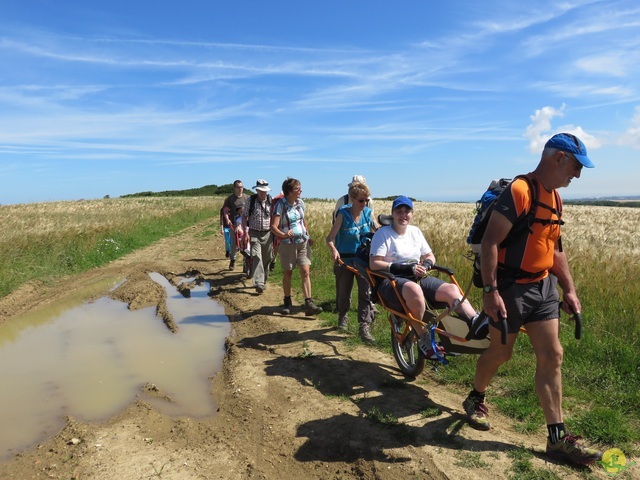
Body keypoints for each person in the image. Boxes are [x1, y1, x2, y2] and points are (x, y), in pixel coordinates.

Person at [463, 133, 601, 466]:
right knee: (501, 352)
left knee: (553, 354)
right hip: (509, 287)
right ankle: (475, 397)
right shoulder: (520, 191)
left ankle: (557, 438)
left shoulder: (555, 199)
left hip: (543, 288)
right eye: (575, 166)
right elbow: (491, 243)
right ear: (558, 158)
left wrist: (568, 289)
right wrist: (491, 291)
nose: (577, 175)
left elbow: (555, 249)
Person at [369, 196, 480, 358]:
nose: (403, 215)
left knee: (452, 289)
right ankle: (423, 338)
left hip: (416, 277)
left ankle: (475, 322)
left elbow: (429, 255)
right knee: (415, 289)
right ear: (392, 213)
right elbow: (374, 263)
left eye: (407, 211)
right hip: (391, 280)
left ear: (412, 213)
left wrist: (426, 265)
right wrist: (405, 267)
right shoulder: (383, 234)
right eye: (399, 211)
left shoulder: (415, 232)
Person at [326, 182, 377, 342]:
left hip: (362, 261)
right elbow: (329, 239)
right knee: (344, 292)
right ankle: (343, 316)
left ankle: (364, 326)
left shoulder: (368, 214)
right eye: (361, 200)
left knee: (365, 293)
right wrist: (334, 251)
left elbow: (377, 231)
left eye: (366, 200)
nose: (364, 203)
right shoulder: (343, 214)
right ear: (353, 200)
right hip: (344, 260)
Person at [270, 178, 323, 316]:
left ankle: (309, 303)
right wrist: (284, 234)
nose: (301, 191)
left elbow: (303, 220)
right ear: (289, 191)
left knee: (305, 271)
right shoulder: (280, 206)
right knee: (288, 272)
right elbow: (273, 227)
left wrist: (308, 235)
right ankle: (287, 301)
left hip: (302, 241)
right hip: (288, 244)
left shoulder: (300, 203)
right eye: (297, 189)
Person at [242, 179, 274, 294]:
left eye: (264, 191)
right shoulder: (251, 201)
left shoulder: (271, 201)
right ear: (257, 190)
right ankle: (259, 283)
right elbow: (244, 216)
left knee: (267, 257)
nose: (262, 193)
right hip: (254, 232)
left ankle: (263, 280)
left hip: (268, 233)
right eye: (260, 191)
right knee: (257, 256)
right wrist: (245, 232)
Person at [222, 180, 249, 270]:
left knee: (246, 244)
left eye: (241, 187)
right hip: (235, 225)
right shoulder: (230, 199)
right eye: (238, 187)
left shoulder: (247, 198)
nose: (240, 189)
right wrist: (227, 220)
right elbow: (225, 211)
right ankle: (232, 260)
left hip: (246, 225)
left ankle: (246, 263)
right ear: (234, 188)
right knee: (234, 244)